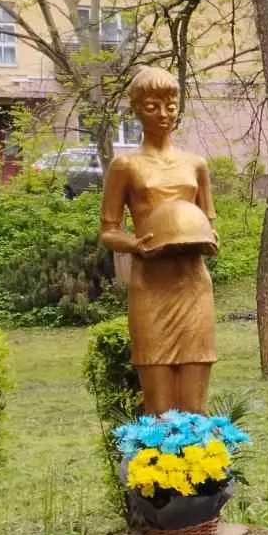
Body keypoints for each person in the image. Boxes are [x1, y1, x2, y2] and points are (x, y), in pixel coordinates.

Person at [99, 67, 218, 415]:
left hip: (192, 282)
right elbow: (108, 230)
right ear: (136, 109)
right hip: (150, 285)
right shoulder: (125, 166)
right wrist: (135, 245)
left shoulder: (196, 164)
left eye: (171, 105)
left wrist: (210, 238)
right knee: (159, 406)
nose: (164, 114)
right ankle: (158, 452)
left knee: (195, 404)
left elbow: (208, 221)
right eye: (152, 106)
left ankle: (200, 451)